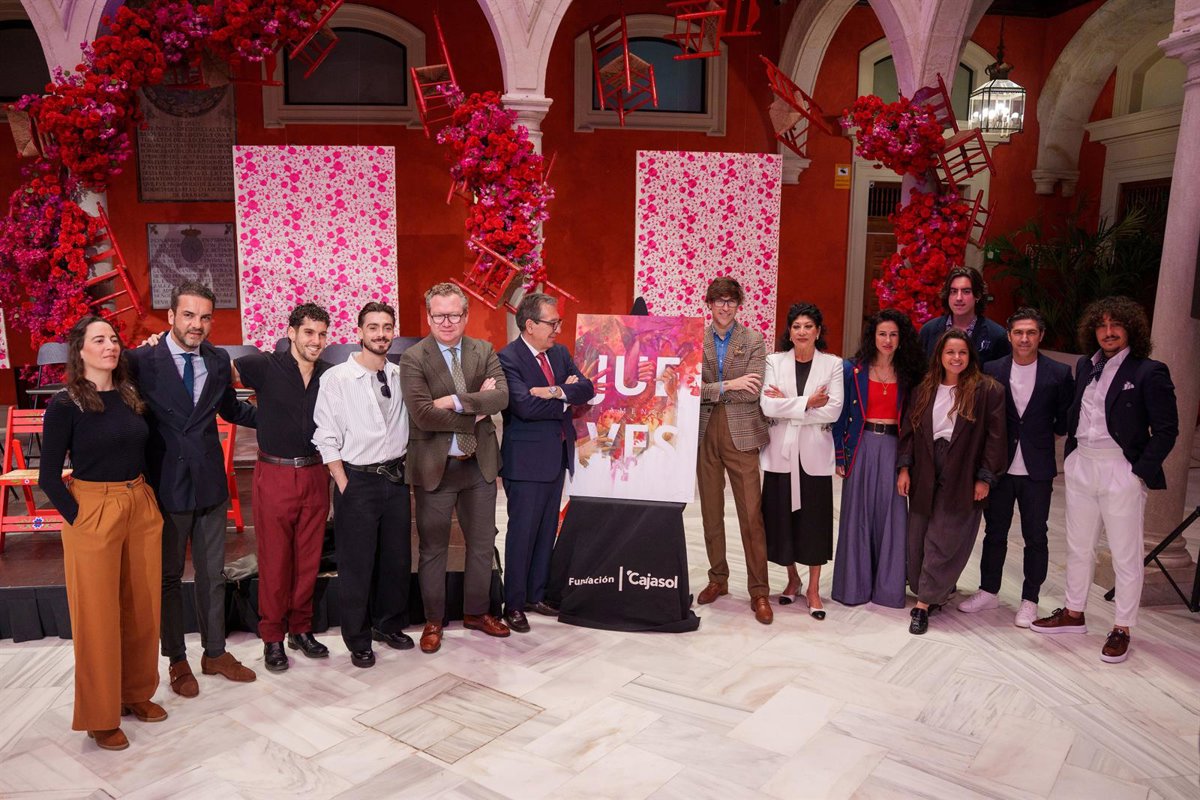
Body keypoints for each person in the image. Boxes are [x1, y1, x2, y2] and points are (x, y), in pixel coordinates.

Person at [39, 316, 164, 751]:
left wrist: (148, 501)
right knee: (97, 617)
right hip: (93, 508)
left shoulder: (129, 395)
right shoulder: (65, 404)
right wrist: (80, 518)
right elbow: (48, 477)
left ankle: (135, 693)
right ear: (80, 351)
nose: (110, 346)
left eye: (113, 339)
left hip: (139, 503)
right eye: (99, 340)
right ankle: (99, 715)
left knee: (142, 607)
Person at [126, 282, 257, 697]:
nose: (196, 324)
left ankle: (215, 652)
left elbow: (231, 409)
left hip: (209, 484)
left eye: (204, 317)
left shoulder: (217, 360)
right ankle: (177, 659)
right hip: (164, 485)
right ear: (170, 316)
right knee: (168, 577)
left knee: (212, 573)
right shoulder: (140, 361)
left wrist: (281, 419)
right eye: (188, 315)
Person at [1032, 297, 1178, 664]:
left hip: (1120, 469)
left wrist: (1138, 471)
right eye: (1101, 325)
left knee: (1125, 554)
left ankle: (1122, 627)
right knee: (1078, 546)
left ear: (1131, 329)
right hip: (1082, 464)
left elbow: (1167, 430)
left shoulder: (1149, 371)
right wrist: (1071, 456)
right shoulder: (1086, 365)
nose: (1108, 332)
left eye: (1116, 325)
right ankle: (1073, 612)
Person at [400, 283, 511, 654]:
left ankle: (477, 613)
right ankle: (433, 620)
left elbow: (501, 397)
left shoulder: (484, 350)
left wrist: (451, 400)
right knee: (433, 549)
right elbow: (422, 415)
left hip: (478, 466)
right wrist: (475, 411)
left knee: (481, 545)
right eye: (438, 315)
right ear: (429, 316)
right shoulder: (414, 358)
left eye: (453, 315)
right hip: (436, 468)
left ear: (465, 316)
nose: (446, 322)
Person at [312, 301, 414, 668]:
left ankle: (388, 625)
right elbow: (325, 435)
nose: (381, 334)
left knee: (396, 560)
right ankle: (357, 639)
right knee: (356, 565)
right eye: (373, 327)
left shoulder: (401, 375)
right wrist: (344, 482)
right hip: (357, 480)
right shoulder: (337, 378)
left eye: (387, 327)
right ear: (359, 332)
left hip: (396, 479)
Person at [958, 308, 1072, 627]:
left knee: (1036, 535)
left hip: (1037, 469)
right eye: (1018, 332)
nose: (1024, 338)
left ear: (1041, 336)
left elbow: (1064, 419)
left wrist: (1040, 438)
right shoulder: (992, 369)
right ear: (1009, 336)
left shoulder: (1059, 373)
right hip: (1000, 467)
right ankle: (988, 591)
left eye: (1031, 332)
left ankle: (1029, 599)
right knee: (995, 532)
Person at [234, 303, 333, 672]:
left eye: (322, 334)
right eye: (308, 332)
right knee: (275, 560)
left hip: (315, 472)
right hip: (274, 473)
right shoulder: (264, 365)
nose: (316, 340)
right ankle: (272, 636)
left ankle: (301, 629)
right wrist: (256, 418)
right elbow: (218, 378)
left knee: (309, 559)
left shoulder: (329, 374)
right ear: (291, 333)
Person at [897, 329, 1006, 635]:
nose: (956, 358)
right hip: (925, 464)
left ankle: (922, 606)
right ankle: (934, 590)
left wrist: (985, 477)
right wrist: (904, 468)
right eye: (950, 352)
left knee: (945, 535)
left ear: (970, 356)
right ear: (940, 356)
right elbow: (909, 431)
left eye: (962, 352)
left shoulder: (987, 390)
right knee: (917, 535)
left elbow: (996, 438)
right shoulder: (924, 388)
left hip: (963, 467)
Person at [497, 292, 595, 633]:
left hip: (556, 456)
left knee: (544, 531)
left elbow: (587, 388)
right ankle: (513, 603)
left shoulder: (560, 353)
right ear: (530, 324)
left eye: (558, 322)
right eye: (552, 323)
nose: (557, 329)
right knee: (522, 533)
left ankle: (535, 594)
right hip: (525, 461)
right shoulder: (507, 358)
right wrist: (565, 394)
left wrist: (552, 391)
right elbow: (523, 406)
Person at [831, 309, 925, 608]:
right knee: (856, 515)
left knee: (893, 516)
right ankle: (853, 587)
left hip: (895, 450)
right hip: (861, 446)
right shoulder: (853, 369)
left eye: (893, 334)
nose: (887, 340)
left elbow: (914, 422)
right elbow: (840, 415)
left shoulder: (910, 374)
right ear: (872, 337)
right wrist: (840, 453)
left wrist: (907, 465)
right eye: (882, 334)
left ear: (901, 339)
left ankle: (887, 590)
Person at [695, 277, 774, 624]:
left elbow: (752, 390)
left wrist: (713, 389)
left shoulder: (753, 340)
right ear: (709, 304)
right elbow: (689, 388)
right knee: (711, 512)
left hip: (742, 435)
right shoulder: (695, 340)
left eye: (731, 301)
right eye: (719, 301)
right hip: (705, 433)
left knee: (752, 516)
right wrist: (728, 384)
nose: (725, 307)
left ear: (738, 305)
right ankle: (718, 578)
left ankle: (759, 591)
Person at [759, 303, 843, 619]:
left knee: (814, 523)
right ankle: (793, 578)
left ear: (818, 331)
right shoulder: (774, 361)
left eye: (808, 326)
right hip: (781, 454)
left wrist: (789, 405)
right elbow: (767, 406)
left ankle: (814, 589)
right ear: (789, 331)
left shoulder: (833, 364)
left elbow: (833, 410)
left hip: (814, 456)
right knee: (782, 522)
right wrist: (809, 402)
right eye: (796, 326)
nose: (802, 331)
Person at [917, 266, 1010, 364]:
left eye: (966, 292)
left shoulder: (996, 335)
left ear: (978, 295)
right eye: (953, 291)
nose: (959, 298)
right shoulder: (928, 331)